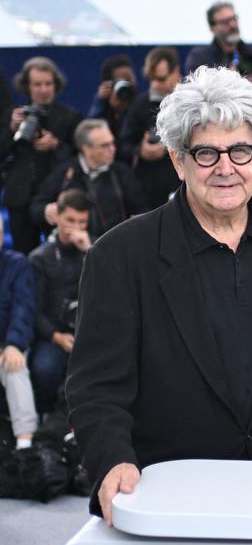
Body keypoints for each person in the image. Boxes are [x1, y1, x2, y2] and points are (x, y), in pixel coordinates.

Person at [67, 66, 252, 526]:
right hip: (167, 496)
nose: (226, 168)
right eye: (206, 153)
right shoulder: (121, 254)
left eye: (240, 150)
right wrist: (112, 460)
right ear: (177, 160)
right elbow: (96, 386)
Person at [0, 57, 82, 253]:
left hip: (56, 198)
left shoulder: (70, 117)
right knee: (23, 254)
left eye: (48, 84)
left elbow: (80, 158)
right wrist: (12, 130)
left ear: (56, 85)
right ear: (27, 87)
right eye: (37, 84)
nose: (43, 90)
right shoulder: (13, 115)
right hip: (20, 196)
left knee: (62, 254)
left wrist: (56, 145)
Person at [28, 190, 91, 418]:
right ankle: (46, 418)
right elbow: (34, 309)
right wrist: (56, 336)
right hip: (54, 333)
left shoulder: (96, 251)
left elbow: (112, 290)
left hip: (89, 330)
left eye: (82, 221)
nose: (75, 226)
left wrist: (90, 251)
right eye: (70, 220)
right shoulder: (40, 258)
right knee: (45, 369)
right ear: (58, 217)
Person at [31, 118, 147, 239]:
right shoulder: (64, 173)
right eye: (105, 145)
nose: (113, 149)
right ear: (86, 149)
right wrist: (46, 211)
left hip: (114, 246)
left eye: (112, 143)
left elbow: (142, 210)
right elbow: (36, 207)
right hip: (74, 248)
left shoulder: (122, 173)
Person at [119, 47, 183, 209]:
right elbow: (123, 146)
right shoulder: (140, 105)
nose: (155, 84)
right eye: (151, 79)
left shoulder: (193, 101)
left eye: (161, 79)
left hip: (186, 184)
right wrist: (141, 151)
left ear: (176, 72)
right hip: (150, 191)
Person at [184, 1, 252, 102]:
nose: (232, 25)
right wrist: (225, 83)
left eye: (234, 19)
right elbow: (194, 90)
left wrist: (251, 85)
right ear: (212, 27)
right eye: (225, 22)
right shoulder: (200, 57)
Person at [0, 214, 38, 449]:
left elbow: (23, 308)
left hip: (10, 342)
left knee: (14, 367)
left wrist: (13, 344)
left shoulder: (18, 264)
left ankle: (25, 446)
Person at [86, 55, 137, 142]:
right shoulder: (102, 105)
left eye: (129, 79)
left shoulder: (141, 103)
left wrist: (122, 112)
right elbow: (90, 131)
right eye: (121, 81)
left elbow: (129, 137)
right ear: (109, 84)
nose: (126, 84)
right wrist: (99, 101)